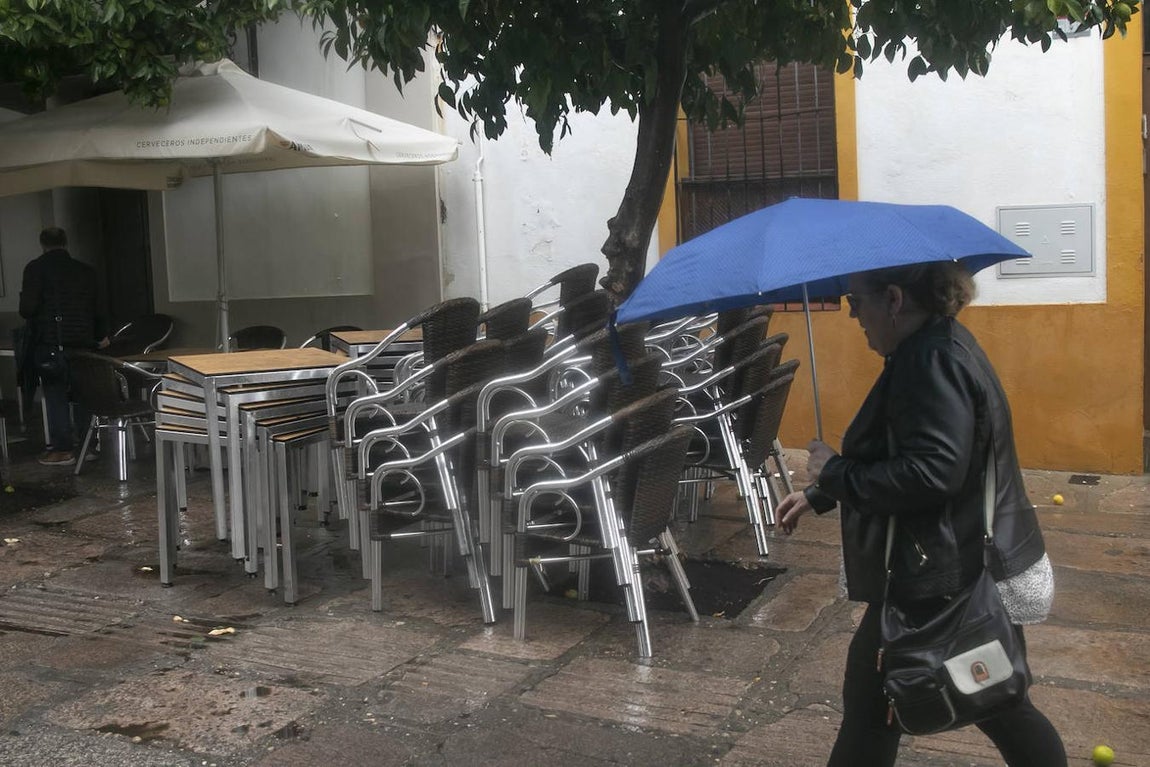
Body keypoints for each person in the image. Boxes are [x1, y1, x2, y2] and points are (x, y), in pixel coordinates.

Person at [775, 261, 1064, 767]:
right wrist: (824, 491)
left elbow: (932, 474)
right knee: (989, 701)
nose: (851, 316)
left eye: (855, 301)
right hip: (945, 562)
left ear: (892, 299)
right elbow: (914, 452)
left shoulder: (929, 362)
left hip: (938, 574)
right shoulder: (939, 345)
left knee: (981, 704)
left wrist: (836, 473)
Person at [19, 227, 109, 466]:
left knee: (56, 394)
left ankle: (62, 450)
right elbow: (99, 308)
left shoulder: (35, 269)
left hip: (52, 343)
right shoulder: (85, 271)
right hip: (85, 343)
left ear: (42, 244)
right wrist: (100, 336)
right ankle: (88, 446)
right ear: (65, 242)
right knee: (83, 395)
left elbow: (27, 309)